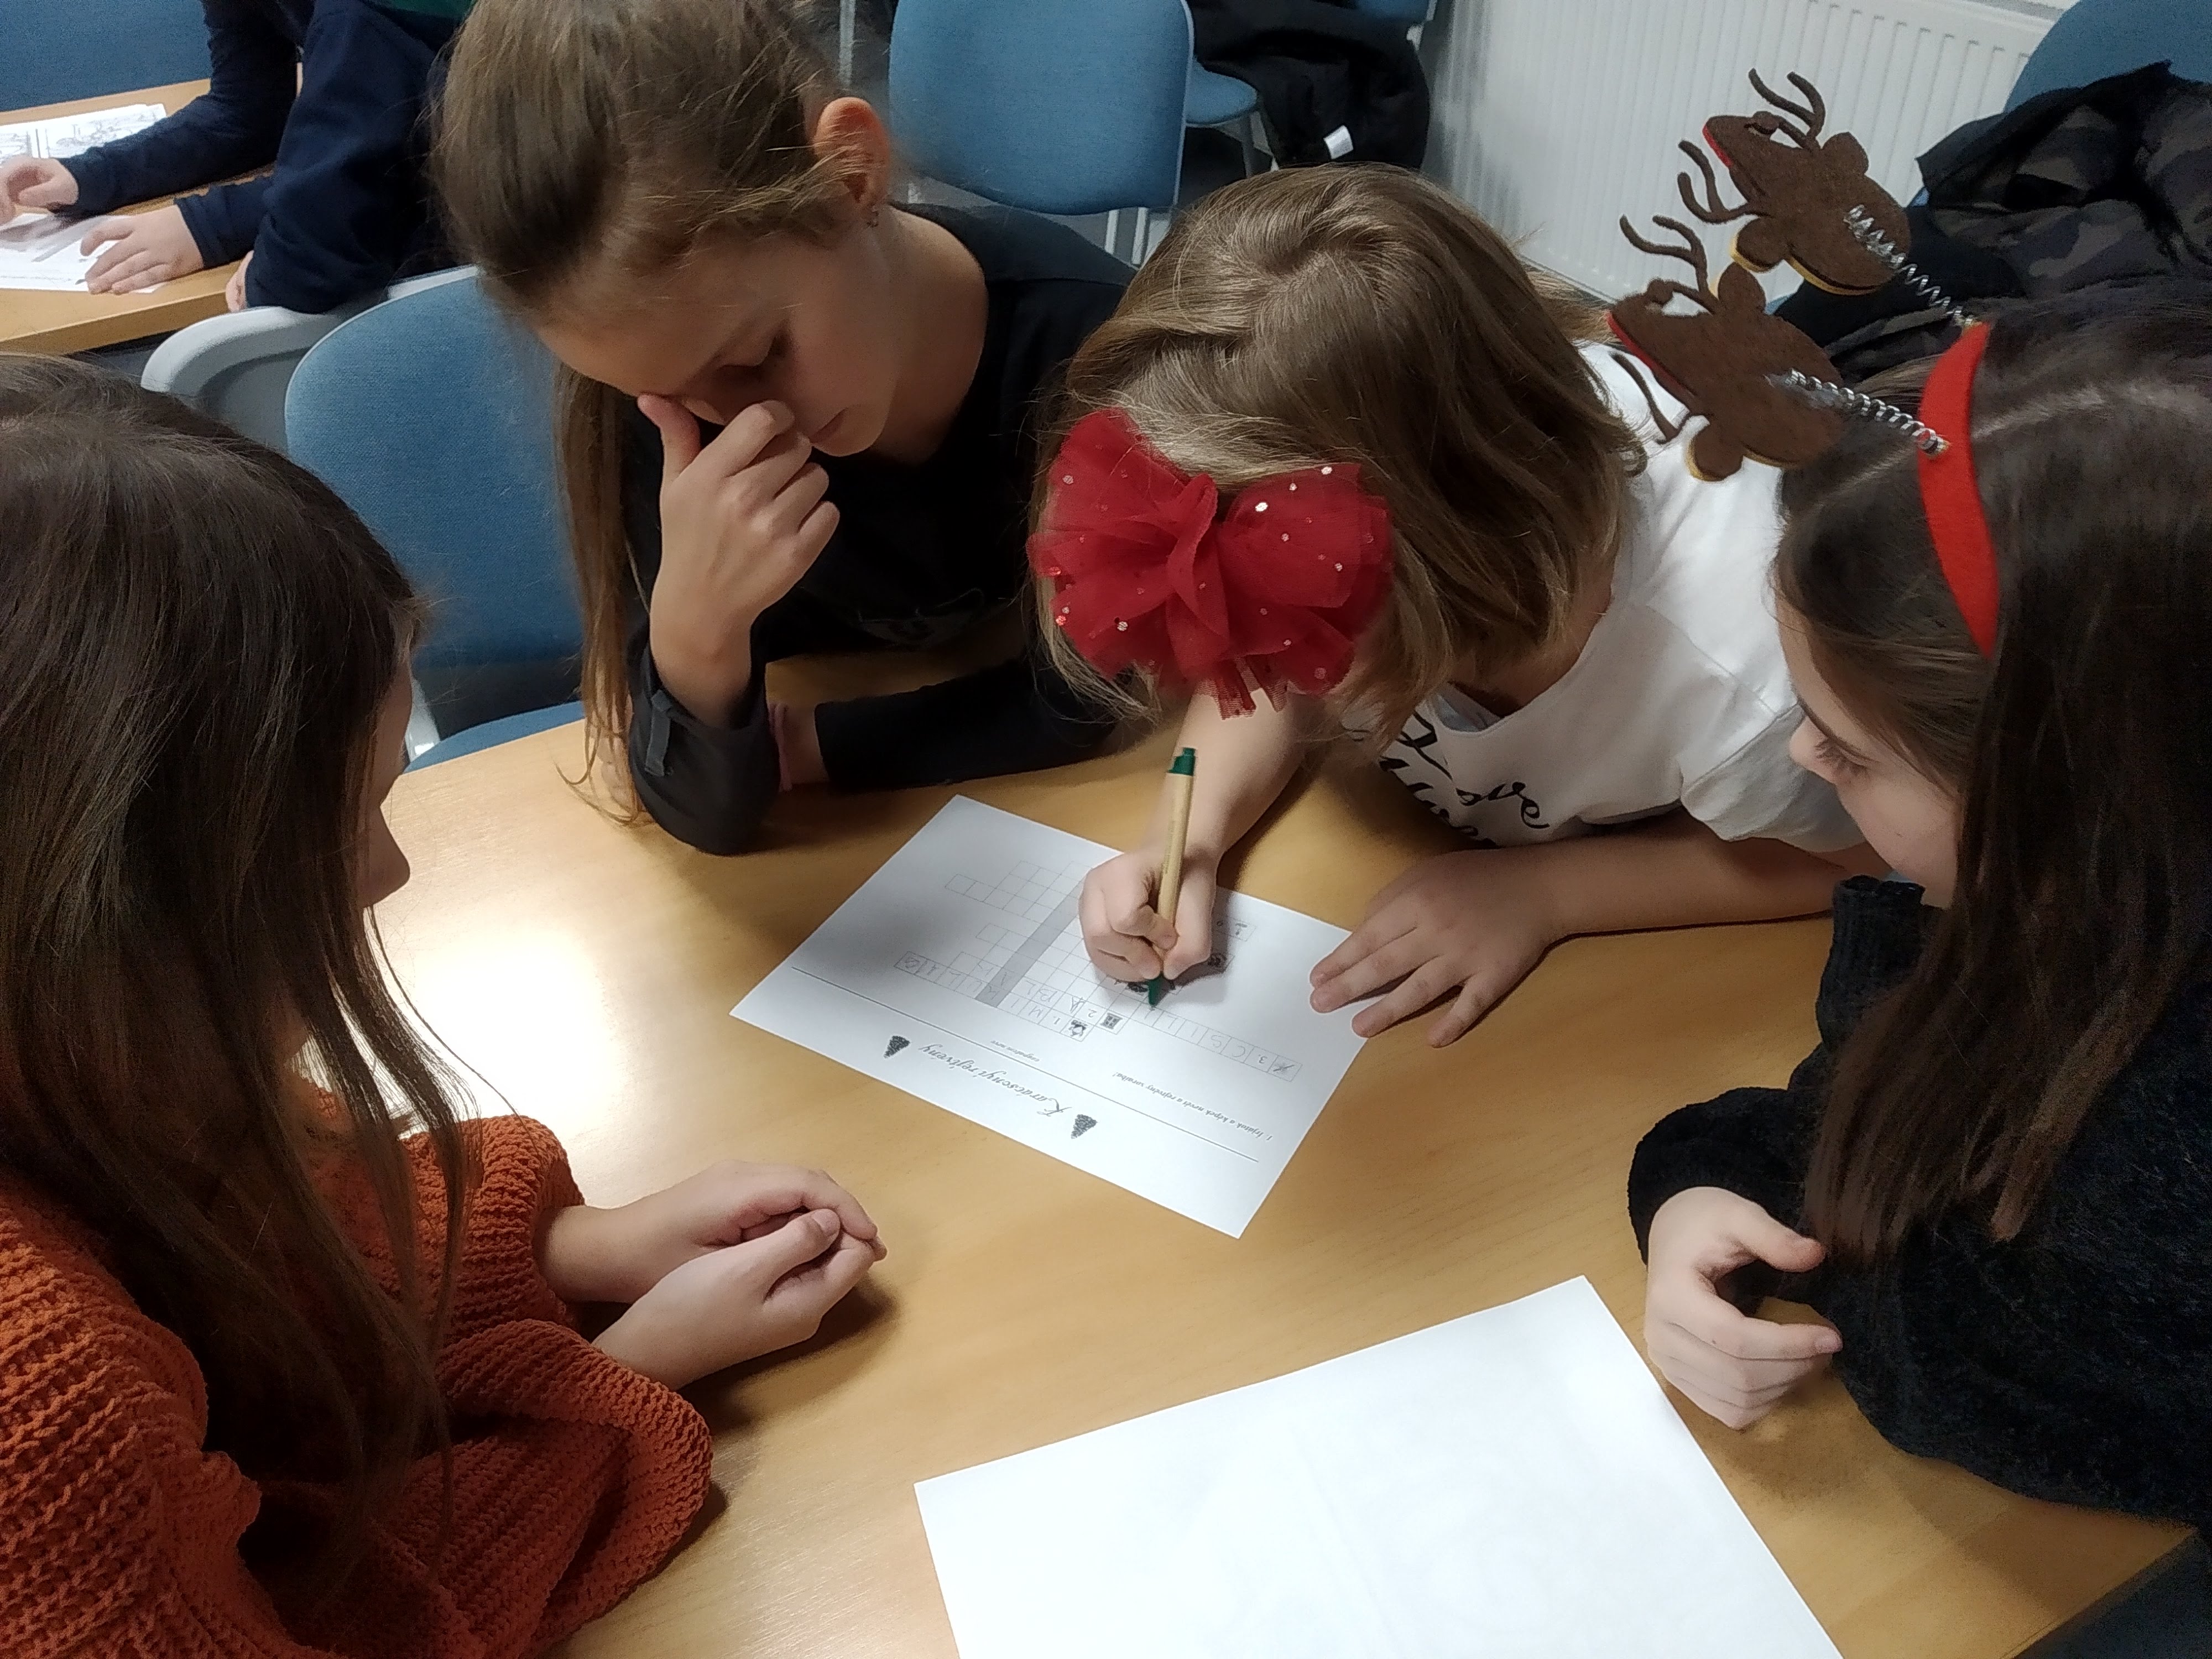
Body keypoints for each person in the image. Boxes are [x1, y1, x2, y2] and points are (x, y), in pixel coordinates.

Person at [0, 357, 884, 1654]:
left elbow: (234, 1202)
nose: (388, 873)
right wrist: (622, 1384)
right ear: (116, 898)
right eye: (345, 821)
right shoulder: (39, 1400)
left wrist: (573, 1252)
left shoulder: (97, 1046)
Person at [1043, 165, 1870, 1047]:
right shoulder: (1379, 524)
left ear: (1439, 569)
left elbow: (1855, 857)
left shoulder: (1740, 678)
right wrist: (1191, 834)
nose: (1262, 654)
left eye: (1288, 622)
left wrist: (1552, 894)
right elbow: (1268, 661)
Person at [1630, 289, 2212, 1537]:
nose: (1803, 756)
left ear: (2077, 793)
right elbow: (1860, 1122)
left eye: (1847, 748)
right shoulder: (2025, 916)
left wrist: (1844, 1276)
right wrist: (1698, 1191)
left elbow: (1964, 1361)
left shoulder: (2159, 1176)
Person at [432, 0, 1132, 857]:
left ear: (851, 174)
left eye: (760, 354)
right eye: (665, 395)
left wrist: (809, 744)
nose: (743, 424)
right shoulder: (667, 403)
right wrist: (694, 637)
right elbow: (701, 807)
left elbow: (1101, 690)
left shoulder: (1100, 350)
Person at [0, 0, 464, 313]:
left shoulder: (365, 17)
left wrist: (212, 225)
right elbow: (246, 111)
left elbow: (406, 168)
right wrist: (89, 175)